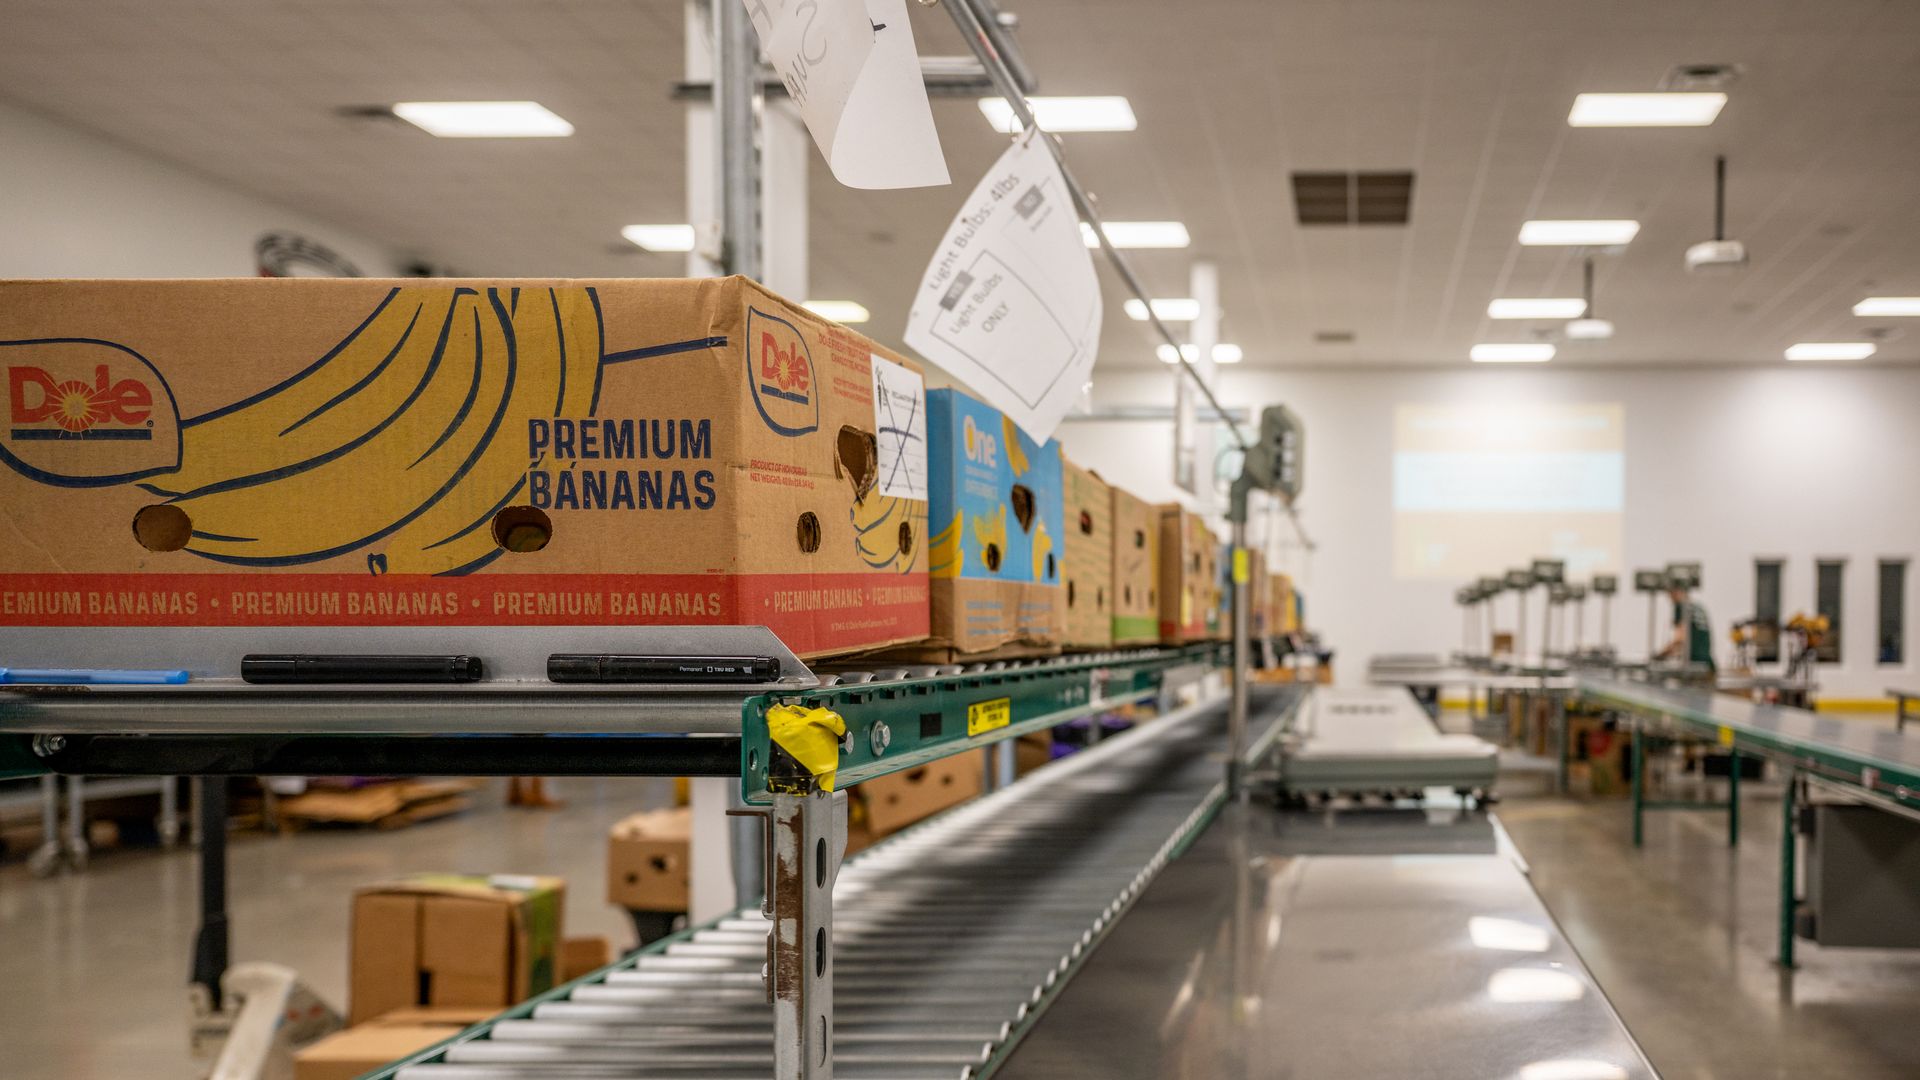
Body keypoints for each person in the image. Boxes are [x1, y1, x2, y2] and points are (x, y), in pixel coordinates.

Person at [1659, 585, 1715, 672]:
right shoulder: (1699, 608)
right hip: (1707, 663)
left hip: (1693, 663)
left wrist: (1661, 655)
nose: (1669, 599)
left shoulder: (1681, 607)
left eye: (1669, 594)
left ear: (1675, 592)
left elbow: (1679, 639)